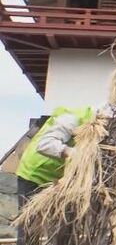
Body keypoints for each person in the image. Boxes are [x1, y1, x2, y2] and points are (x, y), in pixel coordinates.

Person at [15, 105, 102, 245]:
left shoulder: (99, 136)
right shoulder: (73, 120)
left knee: (63, 227)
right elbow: (45, 144)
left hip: (59, 181)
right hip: (34, 173)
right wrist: (73, 153)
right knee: (29, 228)